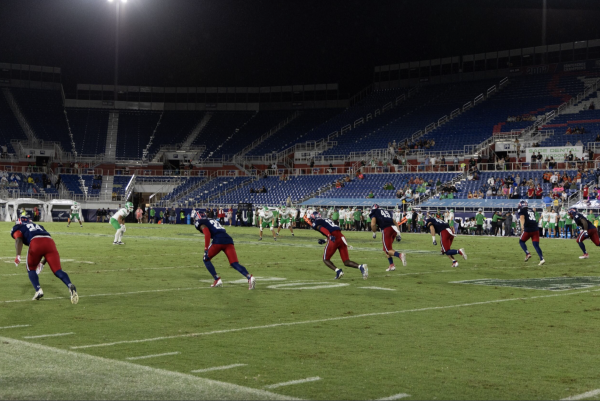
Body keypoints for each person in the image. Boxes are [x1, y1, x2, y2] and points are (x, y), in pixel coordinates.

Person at [11, 216, 78, 303]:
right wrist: (42, 263)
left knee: (31, 268)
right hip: (50, 243)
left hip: (35, 242)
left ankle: (38, 290)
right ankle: (70, 285)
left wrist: (18, 255)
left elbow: (18, 240)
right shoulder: (39, 226)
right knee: (58, 270)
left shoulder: (18, 227)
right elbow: (45, 244)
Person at [194, 211, 255, 289]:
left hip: (218, 240)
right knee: (234, 263)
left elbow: (207, 233)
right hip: (228, 239)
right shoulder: (212, 220)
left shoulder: (201, 222)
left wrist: (206, 249)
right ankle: (249, 277)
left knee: (205, 258)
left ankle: (217, 279)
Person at [304, 211, 367, 280]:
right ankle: (360, 266)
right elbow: (334, 231)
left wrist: (329, 236)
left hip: (334, 239)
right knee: (346, 261)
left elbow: (322, 229)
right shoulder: (326, 219)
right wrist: (325, 240)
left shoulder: (316, 222)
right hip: (341, 237)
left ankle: (338, 271)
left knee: (326, 259)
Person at [369, 204, 407, 272]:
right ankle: (391, 265)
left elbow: (373, 224)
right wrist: (398, 233)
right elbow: (395, 222)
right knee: (386, 248)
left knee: (387, 250)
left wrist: (374, 232)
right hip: (394, 229)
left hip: (387, 229)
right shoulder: (385, 211)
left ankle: (400, 255)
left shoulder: (374, 212)